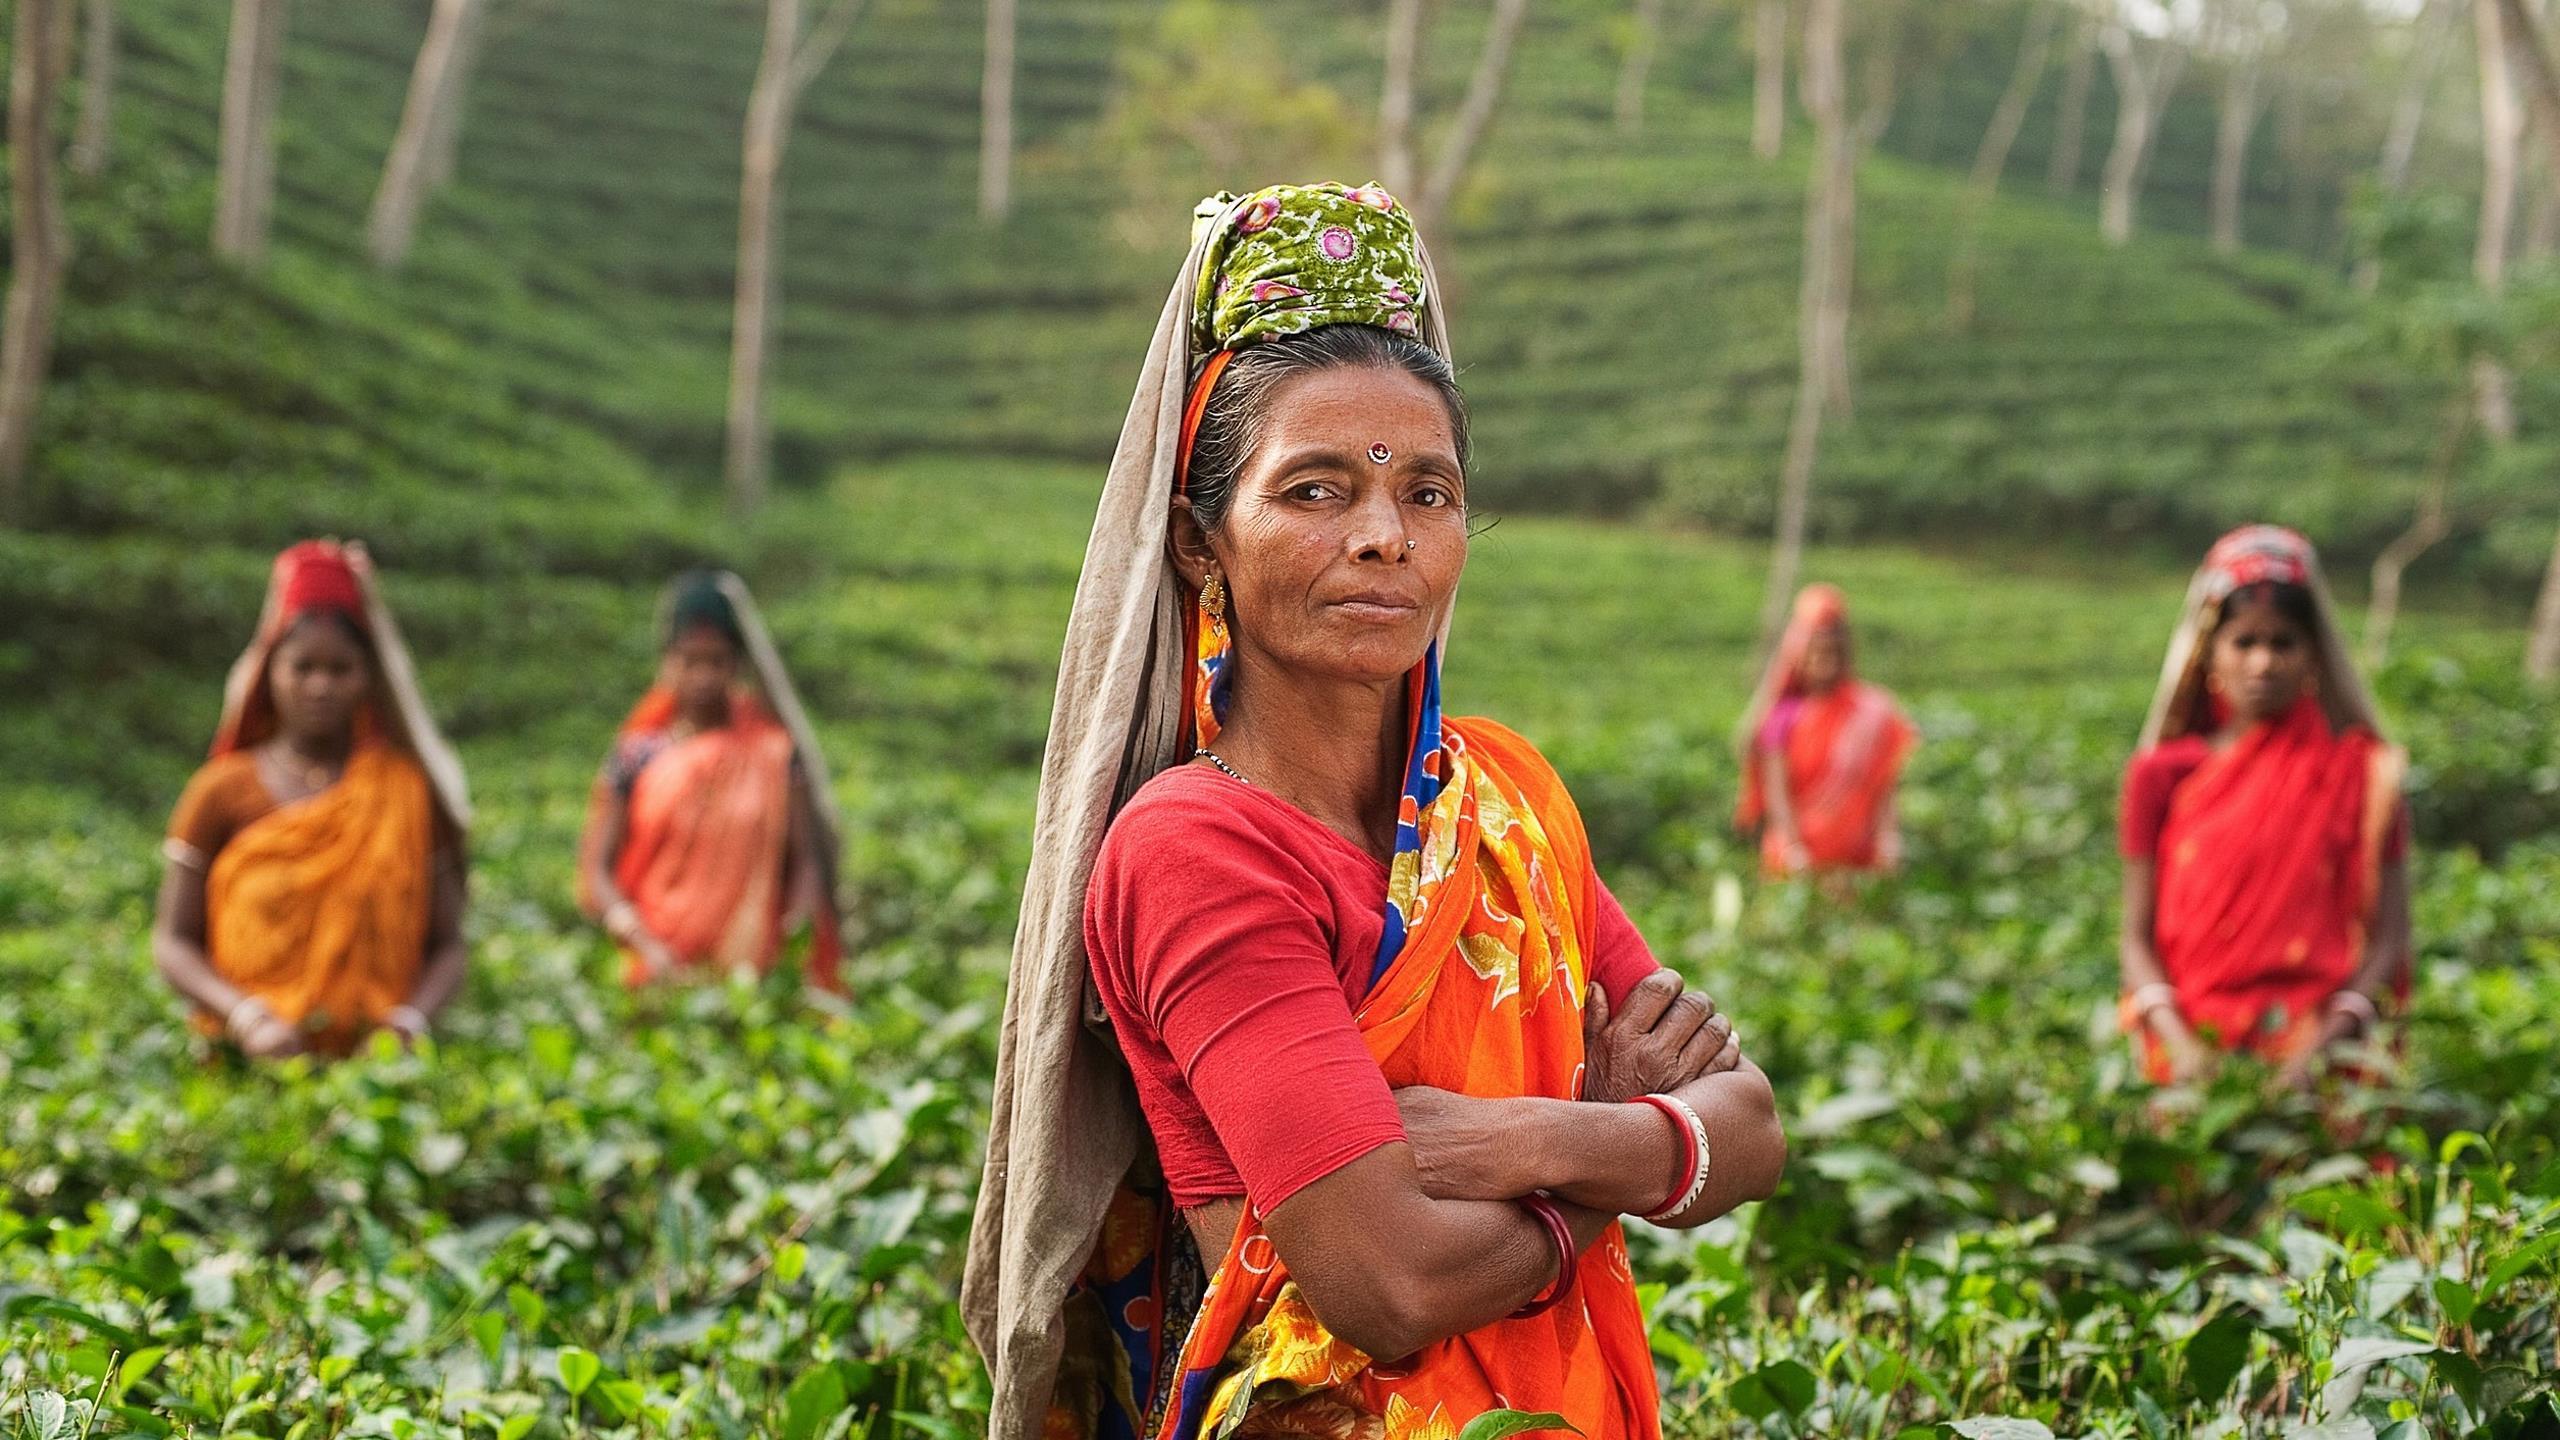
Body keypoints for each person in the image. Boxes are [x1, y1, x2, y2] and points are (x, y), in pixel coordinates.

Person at [962, 183, 1786, 1440]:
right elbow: (1386, 1283)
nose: (1383, 538)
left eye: (1429, 494)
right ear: (1200, 544)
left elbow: (1756, 1126)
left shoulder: (1504, 795)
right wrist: (1615, 1157)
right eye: (1314, 492)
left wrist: (1519, 1141)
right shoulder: (1196, 847)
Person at [2118, 525, 2412, 1090]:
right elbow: (2136, 937)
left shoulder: (2362, 775)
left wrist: (2320, 1051)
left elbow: (2390, 938)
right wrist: (2180, 1046)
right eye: (2244, 642)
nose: (2263, 663)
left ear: (2312, 658)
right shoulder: (2161, 776)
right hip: (2189, 1049)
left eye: (2283, 643)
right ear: (2210, 654)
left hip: (2319, 1051)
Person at [152, 540, 471, 1059]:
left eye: (340, 669)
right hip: (243, 1059)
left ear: (368, 678)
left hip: (379, 1072)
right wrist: (245, 1016)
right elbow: (172, 941)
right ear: (269, 672)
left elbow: (449, 943)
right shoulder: (220, 790)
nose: (320, 686)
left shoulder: (405, 790)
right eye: (302, 667)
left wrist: (409, 1024)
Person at [577, 569, 844, 993]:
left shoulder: (773, 753)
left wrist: (793, 944)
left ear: (736, 665)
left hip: (752, 973)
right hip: (650, 962)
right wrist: (638, 938)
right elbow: (597, 869)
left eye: (716, 661)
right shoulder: (638, 754)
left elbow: (805, 862)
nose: (703, 676)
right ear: (668, 663)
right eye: (689, 661)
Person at [1734, 584, 1915, 878]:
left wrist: (1889, 839)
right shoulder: (1783, 715)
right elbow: (1777, 793)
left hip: (1859, 860)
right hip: (1797, 859)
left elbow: (1884, 787)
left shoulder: (1871, 712)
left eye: (1831, 652)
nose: (1823, 661)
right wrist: (1793, 847)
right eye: (1816, 652)